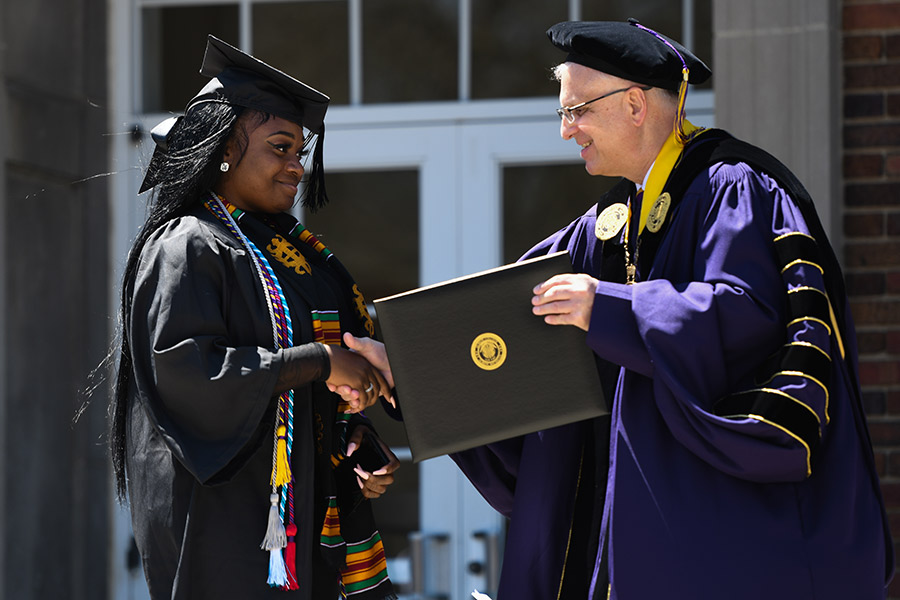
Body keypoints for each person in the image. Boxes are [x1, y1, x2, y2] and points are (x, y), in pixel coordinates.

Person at [449, 19, 894, 599]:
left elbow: (744, 315)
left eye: (577, 110)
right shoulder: (609, 226)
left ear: (635, 104)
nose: (566, 131)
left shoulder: (735, 189)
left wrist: (608, 308)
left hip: (728, 546)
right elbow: (503, 312)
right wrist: (407, 366)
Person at [108, 35, 401, 600]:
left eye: (300, 151)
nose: (297, 166)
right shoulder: (190, 244)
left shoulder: (292, 252)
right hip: (228, 526)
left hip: (307, 525)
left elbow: (301, 398)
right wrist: (321, 362)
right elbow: (192, 375)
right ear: (223, 148)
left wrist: (351, 440)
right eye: (280, 147)